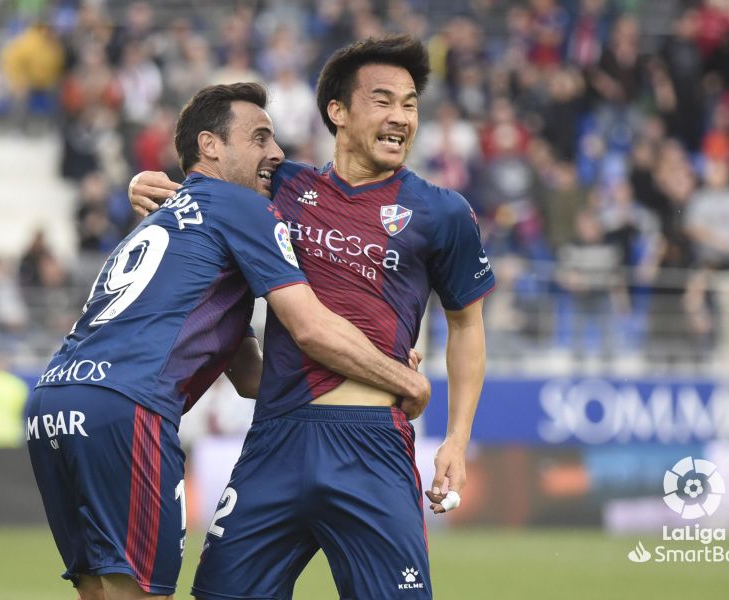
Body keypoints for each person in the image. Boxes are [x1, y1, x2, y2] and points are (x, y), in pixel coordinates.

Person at [27, 82, 430, 600]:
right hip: (126, 406)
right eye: (260, 137)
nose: (277, 153)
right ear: (211, 146)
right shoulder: (243, 208)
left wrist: (363, 375)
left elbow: (251, 376)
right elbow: (308, 326)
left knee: (97, 591)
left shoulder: (169, 224)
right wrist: (402, 378)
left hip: (54, 399)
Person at [130, 35, 495, 600]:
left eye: (410, 104)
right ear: (338, 112)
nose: (401, 117)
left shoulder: (443, 212)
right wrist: (146, 184)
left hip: (372, 445)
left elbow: (468, 326)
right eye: (383, 101)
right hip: (276, 437)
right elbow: (201, 194)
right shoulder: (282, 186)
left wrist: (456, 440)